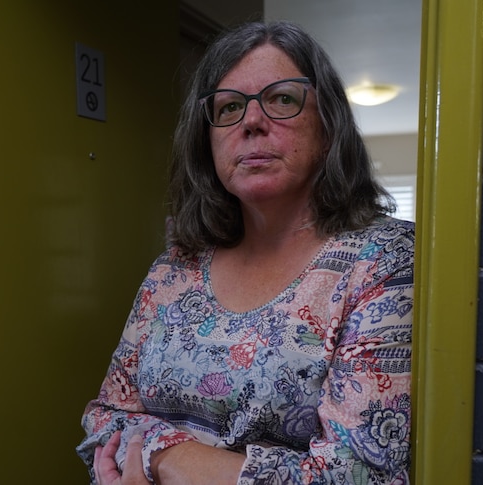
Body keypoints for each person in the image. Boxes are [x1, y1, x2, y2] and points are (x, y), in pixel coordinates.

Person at [76, 20, 414, 485]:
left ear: (328, 125)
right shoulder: (175, 267)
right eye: (230, 106)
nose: (252, 122)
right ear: (207, 139)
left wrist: (161, 459)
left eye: (281, 98)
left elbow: (358, 475)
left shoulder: (384, 261)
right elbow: (104, 417)